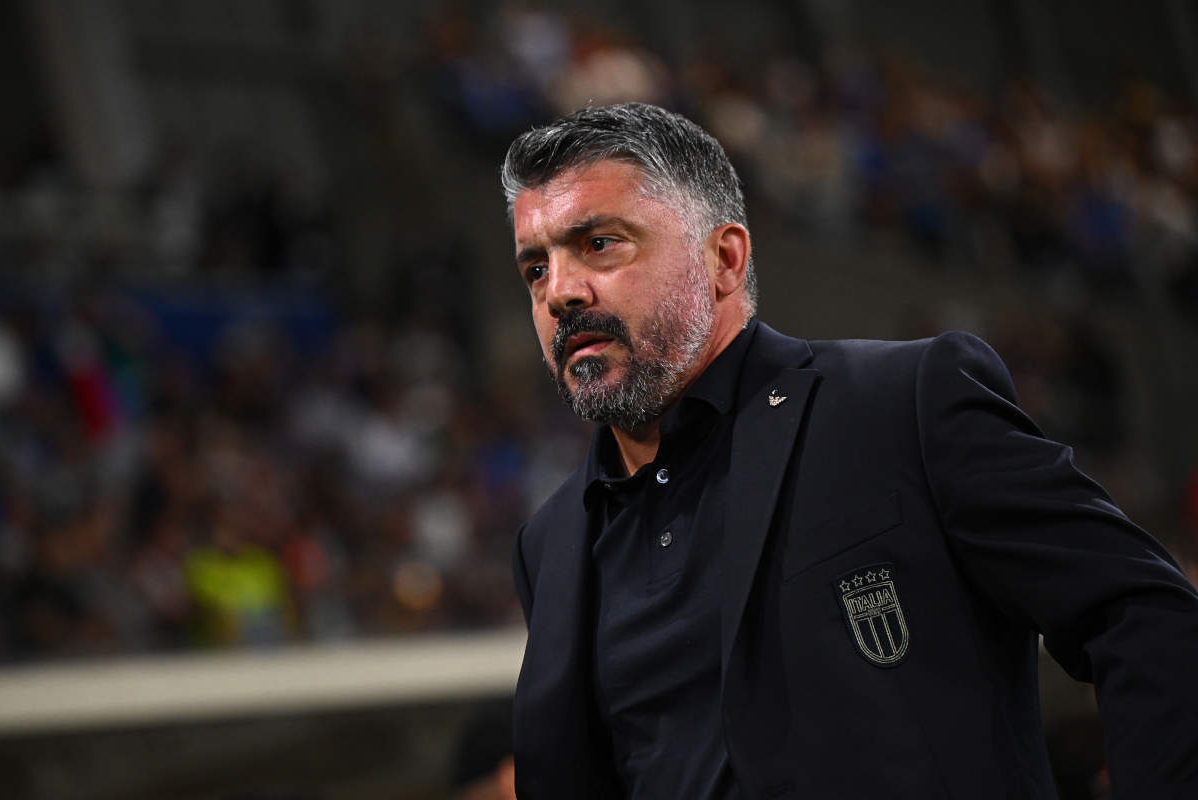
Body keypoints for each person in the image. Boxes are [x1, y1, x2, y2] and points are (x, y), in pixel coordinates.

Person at [502, 103, 1198, 799]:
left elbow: (1145, 619)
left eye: (599, 244)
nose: (559, 292)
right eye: (536, 268)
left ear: (724, 259)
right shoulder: (551, 544)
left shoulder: (903, 403)